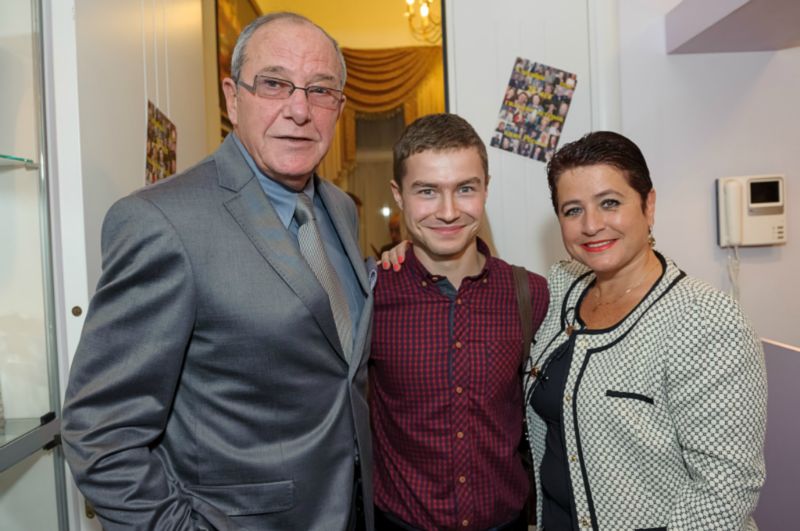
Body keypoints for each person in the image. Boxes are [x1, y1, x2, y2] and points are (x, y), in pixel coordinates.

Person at [61, 12, 375, 531]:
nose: (299, 110)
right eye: (274, 84)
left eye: (320, 90)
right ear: (233, 98)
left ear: (338, 108)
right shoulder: (163, 221)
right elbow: (101, 435)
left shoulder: (339, 208)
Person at [525, 131, 766, 530]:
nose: (591, 225)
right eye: (572, 210)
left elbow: (727, 488)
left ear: (648, 205)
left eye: (609, 203)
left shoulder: (705, 320)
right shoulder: (561, 288)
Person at [370, 113, 549, 530]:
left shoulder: (531, 294)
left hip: (507, 522)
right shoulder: (370, 294)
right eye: (427, 191)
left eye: (465, 189)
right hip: (401, 523)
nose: (448, 212)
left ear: (485, 189)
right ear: (399, 195)